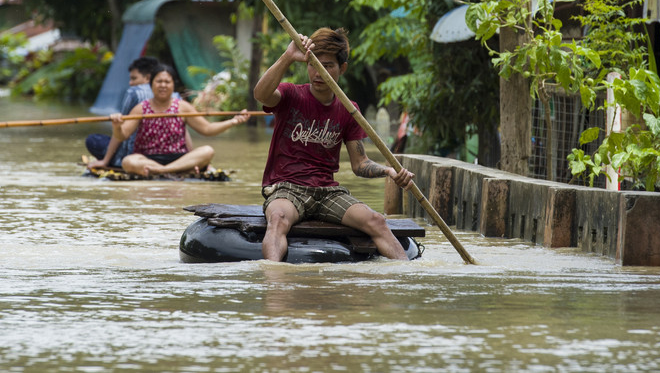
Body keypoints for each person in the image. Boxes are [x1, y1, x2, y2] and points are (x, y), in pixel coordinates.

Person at [253, 27, 415, 261]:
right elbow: (260, 94)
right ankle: (274, 283)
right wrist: (288, 56)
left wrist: (389, 171)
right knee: (277, 218)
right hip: (287, 188)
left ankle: (406, 277)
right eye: (313, 65)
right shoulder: (291, 95)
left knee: (377, 221)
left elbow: (360, 164)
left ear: (342, 68)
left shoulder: (350, 110)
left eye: (327, 65)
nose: (319, 73)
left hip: (328, 192)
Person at [86, 64, 250, 177]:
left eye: (167, 81)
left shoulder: (183, 107)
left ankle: (165, 170)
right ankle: (170, 171)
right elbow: (122, 135)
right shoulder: (141, 108)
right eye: (159, 81)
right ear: (151, 85)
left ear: (173, 85)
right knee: (128, 161)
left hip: (179, 159)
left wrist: (233, 121)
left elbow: (207, 129)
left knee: (207, 151)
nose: (163, 85)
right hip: (148, 160)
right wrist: (117, 125)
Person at [84, 56, 163, 168]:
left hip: (134, 154)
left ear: (148, 78)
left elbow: (121, 133)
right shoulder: (173, 95)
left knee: (93, 140)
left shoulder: (134, 93)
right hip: (163, 152)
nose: (130, 83)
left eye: (134, 78)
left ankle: (113, 159)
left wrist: (105, 161)